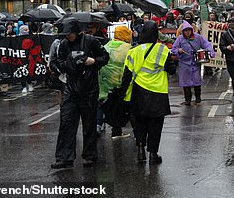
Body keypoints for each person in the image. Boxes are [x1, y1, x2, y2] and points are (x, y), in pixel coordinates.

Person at [50, 17, 109, 169]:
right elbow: (56, 63)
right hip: (71, 88)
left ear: (76, 31)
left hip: (89, 89)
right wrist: (68, 64)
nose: (68, 37)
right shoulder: (63, 44)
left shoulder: (91, 41)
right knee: (67, 123)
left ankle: (89, 155)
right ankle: (64, 157)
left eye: (70, 33)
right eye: (66, 34)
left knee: (89, 124)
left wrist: (92, 61)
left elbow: (105, 57)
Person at [117, 21, 176, 164]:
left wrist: (121, 94)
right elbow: (172, 70)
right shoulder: (162, 50)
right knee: (155, 125)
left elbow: (126, 76)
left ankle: (140, 150)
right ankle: (153, 154)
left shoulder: (133, 51)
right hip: (158, 93)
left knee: (140, 124)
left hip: (138, 93)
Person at [98, 25, 133, 138]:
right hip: (121, 81)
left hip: (105, 82)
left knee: (107, 105)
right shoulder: (128, 48)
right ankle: (118, 129)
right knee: (122, 106)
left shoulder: (107, 46)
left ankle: (101, 125)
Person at [170, 20, 215, 105]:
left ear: (191, 30)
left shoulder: (198, 37)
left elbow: (206, 44)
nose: (187, 32)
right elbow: (174, 49)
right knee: (185, 83)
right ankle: (188, 99)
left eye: (189, 30)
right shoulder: (180, 39)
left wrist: (211, 52)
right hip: (184, 64)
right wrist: (178, 51)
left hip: (195, 63)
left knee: (197, 81)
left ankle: (198, 98)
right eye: (185, 30)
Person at [219, 18, 234, 102]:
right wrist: (227, 48)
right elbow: (222, 46)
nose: (232, 24)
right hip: (230, 59)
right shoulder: (225, 34)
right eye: (231, 22)